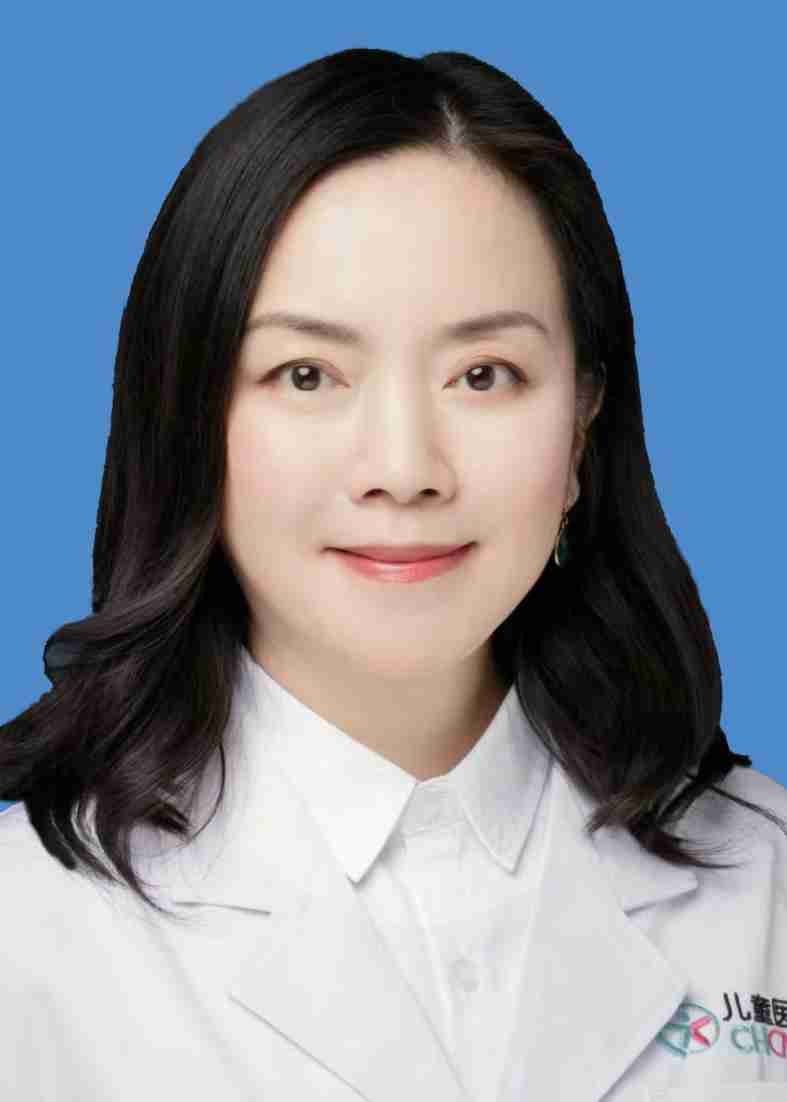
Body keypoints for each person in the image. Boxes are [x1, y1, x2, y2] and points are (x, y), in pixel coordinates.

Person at [1, 47, 785, 1101]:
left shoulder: (766, 885)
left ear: (581, 425)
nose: (405, 468)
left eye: (483, 375)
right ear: (188, 421)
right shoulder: (25, 926)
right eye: (307, 374)